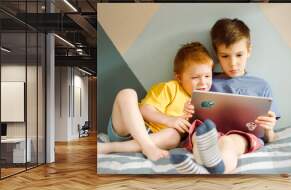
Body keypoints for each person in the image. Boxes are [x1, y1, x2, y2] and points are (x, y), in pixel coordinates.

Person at [170, 18, 280, 174]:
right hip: (209, 134)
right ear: (217, 55)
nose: (233, 63)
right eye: (225, 56)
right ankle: (202, 164)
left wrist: (269, 129)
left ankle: (219, 169)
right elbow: (199, 106)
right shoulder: (207, 80)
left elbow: (269, 137)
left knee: (228, 142)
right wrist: (188, 109)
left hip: (241, 136)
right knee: (200, 135)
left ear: (249, 51)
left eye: (239, 55)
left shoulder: (261, 86)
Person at [97, 42, 214, 161]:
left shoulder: (205, 102)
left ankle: (113, 147)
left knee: (174, 137)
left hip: (155, 139)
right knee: (127, 93)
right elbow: (144, 109)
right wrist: (169, 120)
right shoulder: (170, 88)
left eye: (207, 76)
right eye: (195, 77)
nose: (203, 83)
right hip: (129, 128)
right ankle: (147, 147)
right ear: (179, 78)